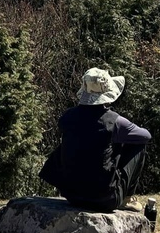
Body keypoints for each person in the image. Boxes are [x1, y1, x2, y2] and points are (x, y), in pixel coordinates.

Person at [39, 67, 151, 213]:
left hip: (72, 195)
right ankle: (126, 199)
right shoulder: (114, 121)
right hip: (106, 199)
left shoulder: (67, 117)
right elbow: (146, 136)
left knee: (72, 141)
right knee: (138, 146)